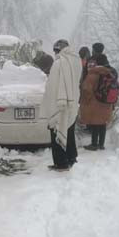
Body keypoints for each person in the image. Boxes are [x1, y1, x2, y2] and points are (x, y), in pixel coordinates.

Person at [41, 39, 82, 171]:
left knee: (57, 131)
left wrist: (50, 103)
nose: (55, 54)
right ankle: (71, 157)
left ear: (59, 50)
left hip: (60, 104)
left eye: (55, 51)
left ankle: (61, 163)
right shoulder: (76, 61)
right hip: (73, 102)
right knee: (69, 131)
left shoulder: (59, 63)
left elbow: (52, 87)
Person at [80, 53, 115, 150]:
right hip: (106, 102)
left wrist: (86, 100)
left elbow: (86, 89)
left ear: (97, 62)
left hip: (94, 103)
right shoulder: (109, 73)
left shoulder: (93, 73)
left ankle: (94, 144)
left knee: (95, 123)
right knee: (102, 124)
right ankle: (101, 144)